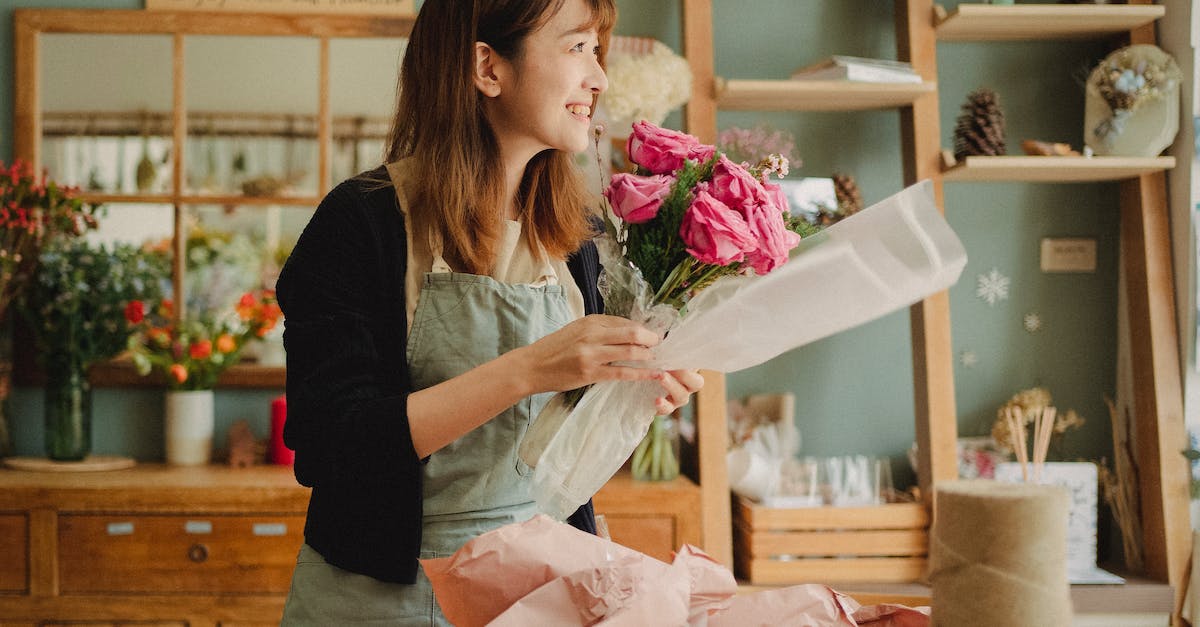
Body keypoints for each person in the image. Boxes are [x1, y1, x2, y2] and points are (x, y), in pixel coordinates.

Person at [276, 0, 704, 623]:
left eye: (598, 51)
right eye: (577, 48)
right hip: (380, 598)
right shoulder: (361, 222)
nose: (599, 78)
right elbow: (331, 446)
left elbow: (562, 450)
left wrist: (636, 390)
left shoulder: (581, 234)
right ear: (487, 67)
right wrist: (527, 369)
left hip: (542, 592)